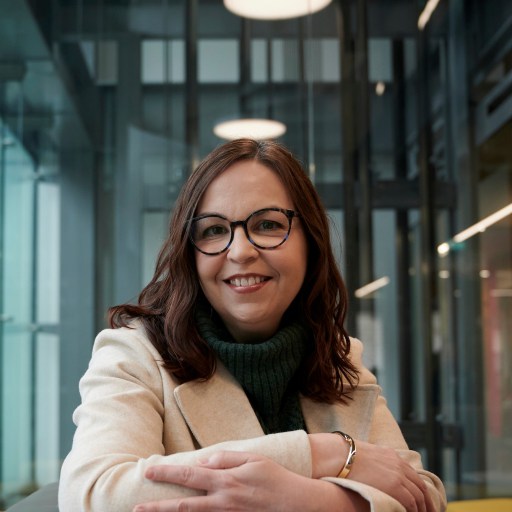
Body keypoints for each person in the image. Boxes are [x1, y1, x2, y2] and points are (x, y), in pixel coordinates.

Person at [59, 138, 447, 512]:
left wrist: (307, 500)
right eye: (213, 230)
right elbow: (92, 496)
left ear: (310, 241)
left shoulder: (337, 357)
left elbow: (422, 493)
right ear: (189, 253)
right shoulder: (135, 355)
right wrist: (319, 453)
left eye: (267, 224)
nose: (241, 251)